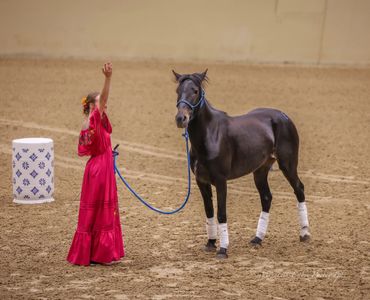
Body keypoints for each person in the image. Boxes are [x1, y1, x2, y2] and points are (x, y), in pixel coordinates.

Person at [67, 62, 124, 266]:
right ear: (92, 105)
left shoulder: (90, 122)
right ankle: (100, 253)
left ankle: (90, 252)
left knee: (93, 212)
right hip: (101, 170)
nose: (105, 104)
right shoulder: (95, 118)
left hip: (95, 169)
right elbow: (104, 98)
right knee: (102, 211)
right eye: (101, 101)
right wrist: (108, 78)